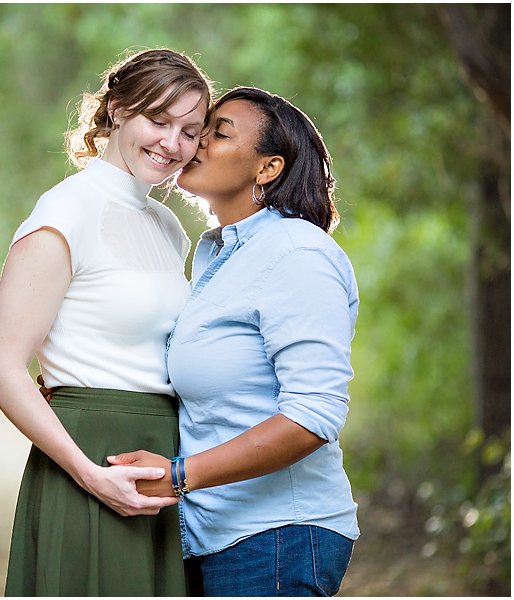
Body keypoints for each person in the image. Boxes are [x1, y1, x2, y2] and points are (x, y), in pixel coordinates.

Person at [109, 86, 360, 597]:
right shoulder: (218, 258)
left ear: (267, 169)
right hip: (215, 535)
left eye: (218, 132)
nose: (196, 140)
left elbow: (313, 415)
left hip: (277, 538)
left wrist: (181, 475)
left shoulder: (295, 255)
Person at [0, 48, 212, 596]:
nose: (172, 144)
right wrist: (89, 474)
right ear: (116, 110)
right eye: (158, 120)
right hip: (89, 454)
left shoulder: (165, 224)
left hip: (162, 453)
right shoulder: (65, 212)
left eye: (190, 131)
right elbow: (1, 367)